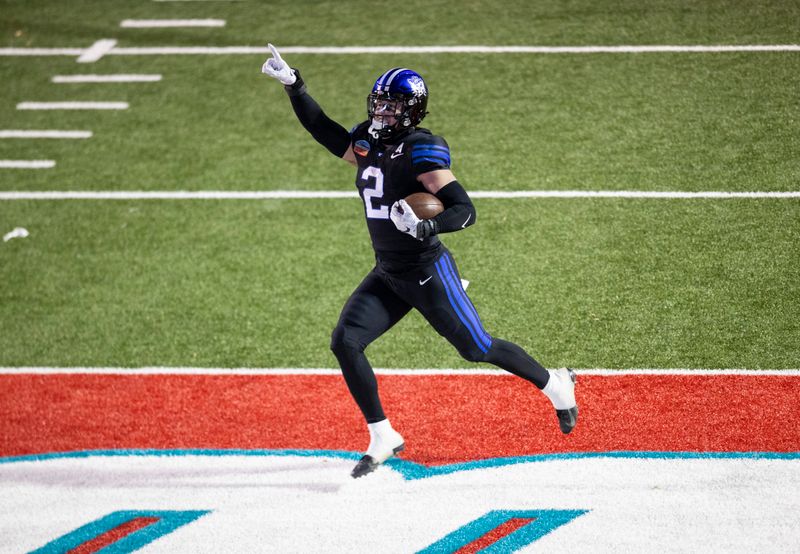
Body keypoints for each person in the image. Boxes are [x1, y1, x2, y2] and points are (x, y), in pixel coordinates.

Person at [261, 44, 578, 478]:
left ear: (413, 110)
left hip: (426, 270)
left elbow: (463, 209)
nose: (382, 112)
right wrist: (295, 86)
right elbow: (330, 134)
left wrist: (429, 227)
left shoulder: (422, 149)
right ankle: (382, 434)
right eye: (379, 102)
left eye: (392, 105)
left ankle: (556, 385)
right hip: (388, 271)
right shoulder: (368, 139)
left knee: (476, 347)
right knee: (345, 341)